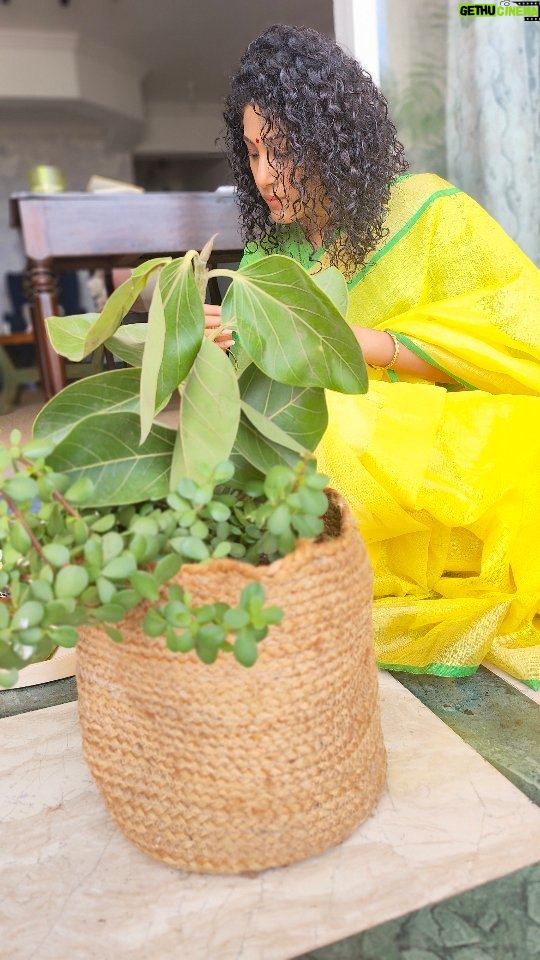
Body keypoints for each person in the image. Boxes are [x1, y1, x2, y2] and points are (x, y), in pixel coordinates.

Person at [210, 23, 540, 690]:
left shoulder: (428, 211)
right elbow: (269, 396)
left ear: (332, 139)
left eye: (282, 151)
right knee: (294, 435)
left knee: (338, 422)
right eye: (251, 154)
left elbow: (518, 340)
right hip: (347, 469)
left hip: (465, 445)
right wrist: (227, 350)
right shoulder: (269, 260)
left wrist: (367, 345)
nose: (265, 176)